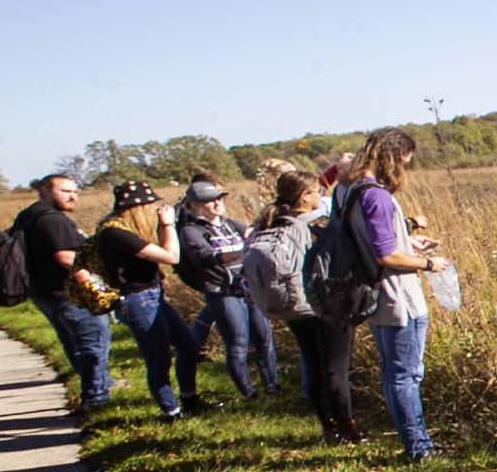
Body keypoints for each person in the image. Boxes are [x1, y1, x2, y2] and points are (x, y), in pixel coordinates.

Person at [346, 128, 450, 462]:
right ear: (390, 157)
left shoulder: (348, 189)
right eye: (404, 161)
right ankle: (418, 448)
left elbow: (379, 241)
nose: (404, 169)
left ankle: (415, 443)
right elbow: (385, 254)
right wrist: (427, 262)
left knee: (393, 373)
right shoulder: (375, 195)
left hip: (377, 295)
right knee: (405, 375)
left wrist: (408, 239)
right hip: (397, 298)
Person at [252, 171, 360, 443]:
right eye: (316, 192)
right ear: (305, 196)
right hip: (323, 303)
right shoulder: (319, 223)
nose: (321, 196)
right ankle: (348, 430)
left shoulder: (270, 223)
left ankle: (328, 426)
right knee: (336, 367)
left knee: (312, 363)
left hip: (293, 304)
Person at [92, 182, 212, 421]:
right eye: (152, 206)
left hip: (152, 295)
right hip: (137, 300)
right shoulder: (115, 233)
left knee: (188, 345)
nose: (156, 210)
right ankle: (170, 411)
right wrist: (168, 224)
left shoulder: (125, 230)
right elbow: (171, 256)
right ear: (137, 208)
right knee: (158, 357)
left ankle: (190, 398)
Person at [16, 173, 113, 410]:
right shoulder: (54, 221)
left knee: (74, 342)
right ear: (47, 191)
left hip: (44, 293)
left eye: (74, 191)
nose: (72, 196)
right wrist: (100, 276)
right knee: (94, 343)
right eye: (65, 191)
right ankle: (96, 396)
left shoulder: (28, 215)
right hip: (68, 294)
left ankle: (101, 384)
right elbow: (65, 256)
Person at [179, 179, 279, 398]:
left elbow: (255, 234)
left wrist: (256, 234)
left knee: (265, 340)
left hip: (248, 289)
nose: (217, 204)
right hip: (222, 292)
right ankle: (248, 392)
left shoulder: (230, 225)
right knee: (237, 344)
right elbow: (205, 256)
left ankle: (272, 386)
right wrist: (243, 253)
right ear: (195, 205)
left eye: (219, 198)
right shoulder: (190, 231)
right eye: (209, 201)